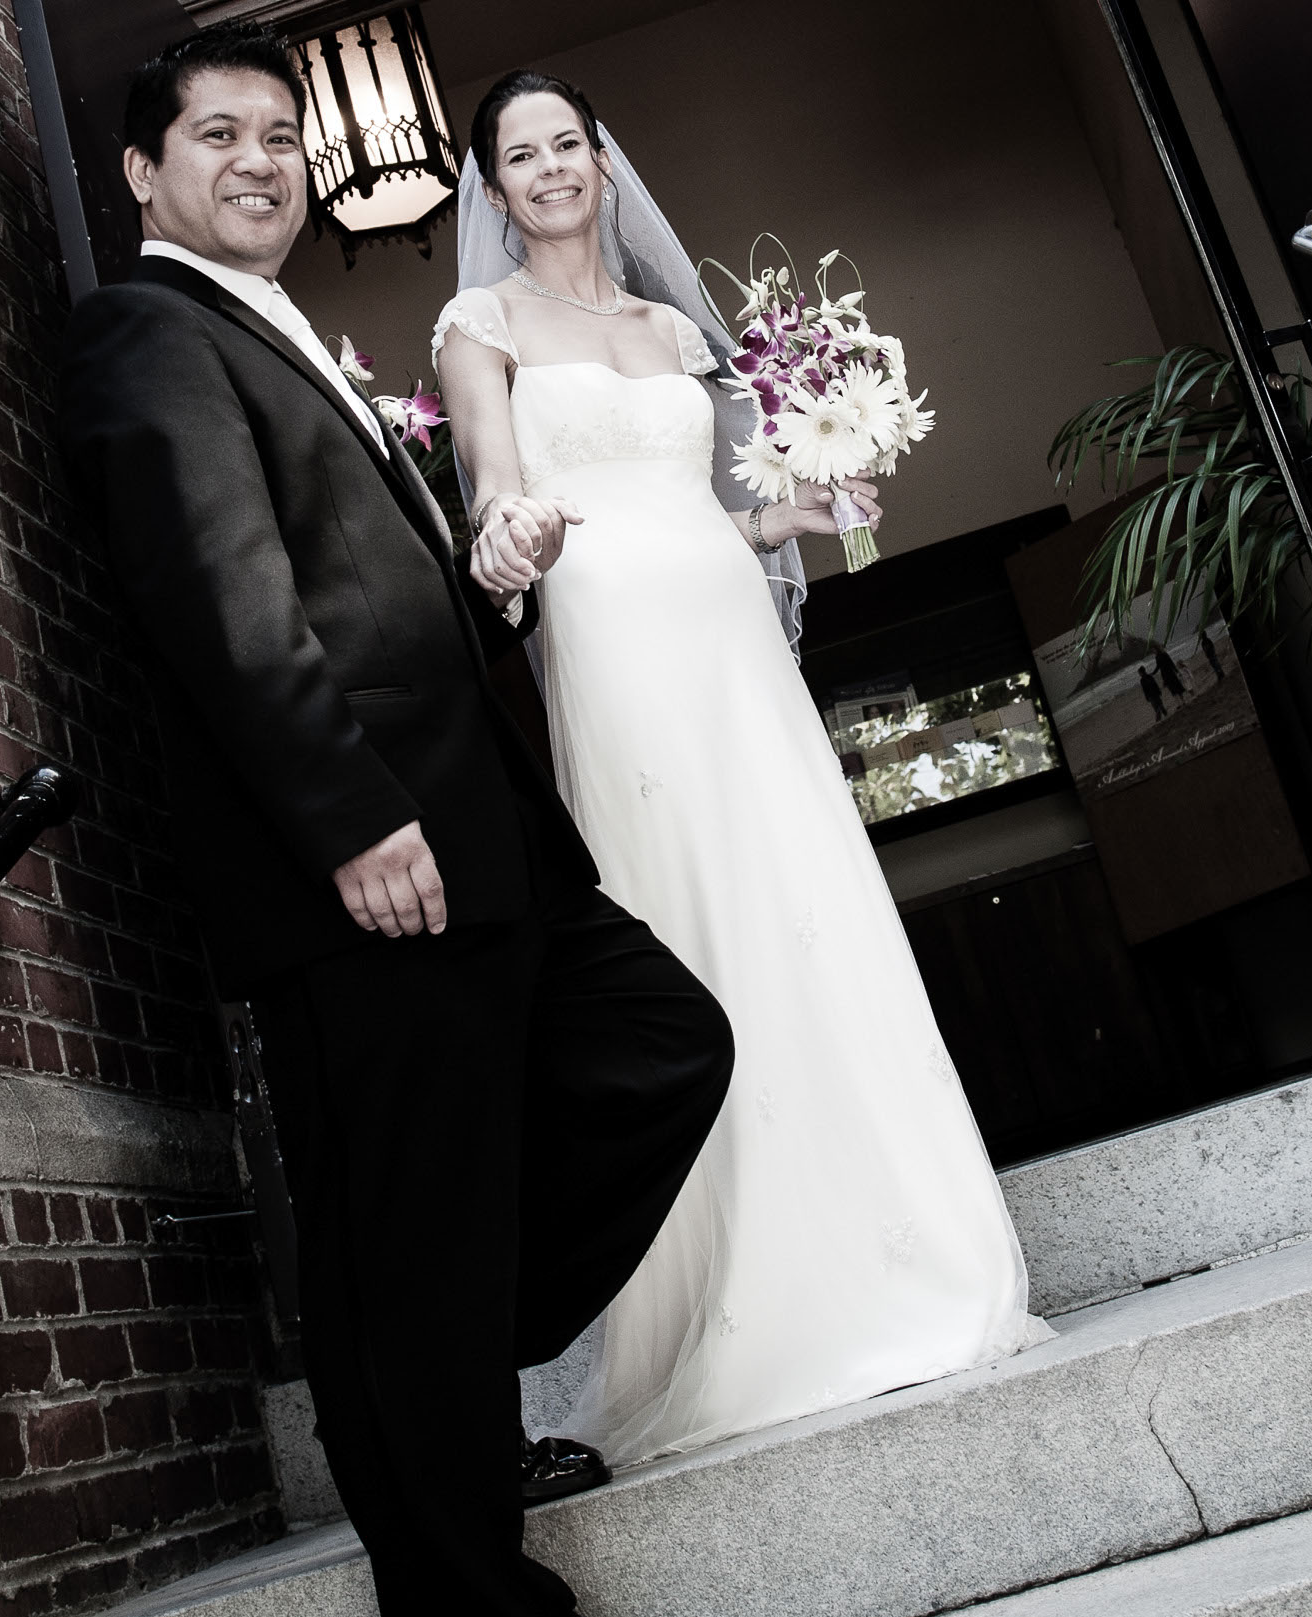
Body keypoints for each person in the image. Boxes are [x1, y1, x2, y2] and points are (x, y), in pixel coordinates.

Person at [56, 22, 736, 1617]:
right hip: (371, 867)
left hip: (480, 843)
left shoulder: (274, 326)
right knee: (406, 1256)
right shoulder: (148, 333)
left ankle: (443, 1396)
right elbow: (217, 594)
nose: (262, 161)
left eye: (282, 135)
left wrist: (486, 582)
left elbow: (363, 576)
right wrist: (349, 817)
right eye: (220, 136)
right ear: (143, 174)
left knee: (659, 1048)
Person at [433, 71, 1047, 1470]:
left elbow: (717, 506)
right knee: (689, 909)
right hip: (610, 636)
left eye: (568, 144)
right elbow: (493, 492)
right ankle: (737, 1299)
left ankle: (900, 1258)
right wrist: (513, 538)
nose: (551, 169)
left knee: (796, 905)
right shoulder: (482, 326)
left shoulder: (673, 330)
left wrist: (804, 510)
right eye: (520, 155)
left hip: (726, 633)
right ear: (494, 188)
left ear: (603, 161)